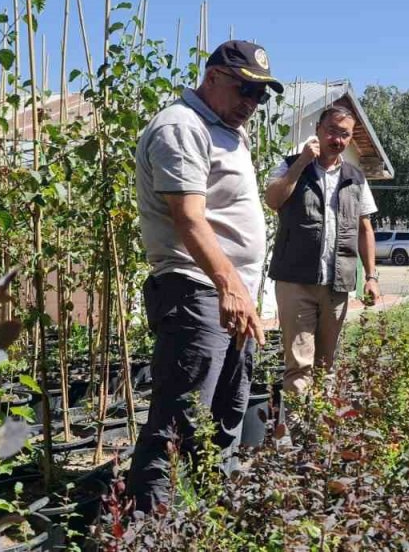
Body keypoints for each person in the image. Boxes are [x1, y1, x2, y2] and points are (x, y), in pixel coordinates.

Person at [127, 40, 283, 514]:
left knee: (225, 415)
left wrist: (245, 291)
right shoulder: (181, 126)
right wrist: (229, 285)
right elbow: (188, 218)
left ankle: (206, 520)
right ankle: (149, 532)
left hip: (231, 296)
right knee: (178, 422)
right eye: (244, 89)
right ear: (212, 76)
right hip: (198, 292)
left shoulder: (227, 130)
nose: (252, 104)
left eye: (261, 96)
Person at [263, 104, 382, 395]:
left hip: (338, 283)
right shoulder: (290, 165)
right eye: (331, 131)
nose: (337, 140)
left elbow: (365, 228)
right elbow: (273, 200)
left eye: (344, 135)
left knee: (326, 365)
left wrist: (370, 276)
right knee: (299, 364)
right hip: (295, 280)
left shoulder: (355, 177)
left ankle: (322, 433)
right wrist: (302, 162)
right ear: (318, 129)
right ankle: (297, 434)